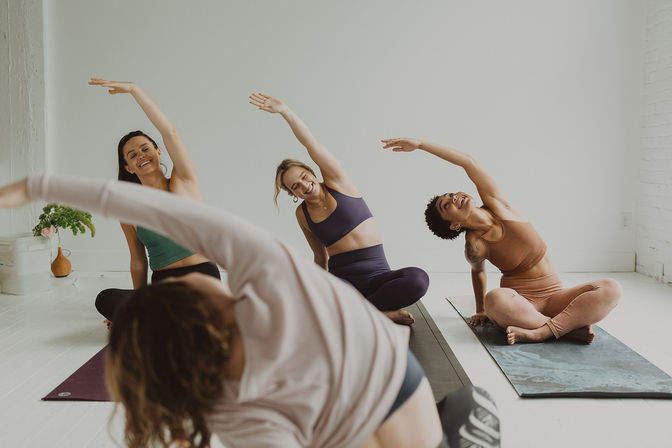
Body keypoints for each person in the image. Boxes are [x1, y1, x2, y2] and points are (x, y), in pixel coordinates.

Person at [0, 174, 503, 448]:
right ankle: (452, 422)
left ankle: (451, 425)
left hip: (381, 381)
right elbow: (164, 212)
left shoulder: (224, 402)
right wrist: (38, 186)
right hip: (345, 415)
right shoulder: (267, 286)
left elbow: (164, 211)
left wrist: (39, 187)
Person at [382, 137, 621, 344]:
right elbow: (478, 273)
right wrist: (480, 309)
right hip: (520, 304)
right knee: (495, 299)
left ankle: (543, 332)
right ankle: (564, 329)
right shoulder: (475, 244)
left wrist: (421, 145)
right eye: (448, 204)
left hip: (555, 295)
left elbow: (469, 162)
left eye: (452, 194)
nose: (456, 197)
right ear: (454, 225)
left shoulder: (498, 204)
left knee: (611, 288)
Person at [250, 93, 429, 325]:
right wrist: (320, 289)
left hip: (379, 277)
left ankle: (359, 314)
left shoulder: (338, 183)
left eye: (304, 177)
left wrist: (285, 111)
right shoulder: (302, 214)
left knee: (418, 279)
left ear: (312, 172)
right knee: (310, 294)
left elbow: (311, 144)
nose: (304, 185)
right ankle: (374, 314)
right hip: (343, 282)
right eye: (296, 186)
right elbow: (319, 255)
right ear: (292, 194)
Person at [87, 78, 220, 325]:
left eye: (146, 149)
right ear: (127, 167)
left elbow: (170, 132)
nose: (142, 156)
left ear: (159, 152)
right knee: (105, 298)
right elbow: (138, 261)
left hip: (201, 280)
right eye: (133, 155)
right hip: (162, 289)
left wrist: (135, 91)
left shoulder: (182, 183)